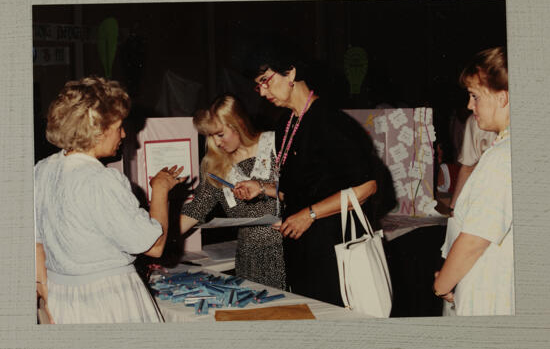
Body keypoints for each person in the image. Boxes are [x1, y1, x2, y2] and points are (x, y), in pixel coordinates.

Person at [233, 50, 379, 307]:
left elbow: (367, 186)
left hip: (334, 247)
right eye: (258, 87)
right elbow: (299, 190)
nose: (264, 93)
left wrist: (308, 215)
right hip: (302, 248)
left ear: (291, 72)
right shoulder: (286, 125)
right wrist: (262, 188)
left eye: (265, 81)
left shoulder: (330, 121)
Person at [35, 76, 186, 324]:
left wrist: (48, 302)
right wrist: (160, 191)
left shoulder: (42, 170)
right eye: (119, 127)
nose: (124, 134)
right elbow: (155, 246)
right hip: (108, 303)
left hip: (63, 300)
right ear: (97, 131)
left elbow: (36, 245)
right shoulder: (101, 181)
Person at [433, 46, 513, 316]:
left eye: (475, 96)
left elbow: (474, 240)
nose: (469, 105)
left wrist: (442, 283)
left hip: (487, 291)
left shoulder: (502, 158)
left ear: (503, 97)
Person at [179, 95, 285, 290]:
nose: (215, 142)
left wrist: (265, 189)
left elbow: (303, 192)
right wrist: (160, 237)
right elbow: (197, 208)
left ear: (238, 123)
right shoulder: (214, 164)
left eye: (219, 134)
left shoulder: (276, 145)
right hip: (249, 259)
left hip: (289, 251)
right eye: (209, 136)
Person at [448, 113, 497, 214]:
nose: (469, 105)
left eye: (475, 97)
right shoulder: (475, 120)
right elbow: (467, 167)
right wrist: (453, 207)